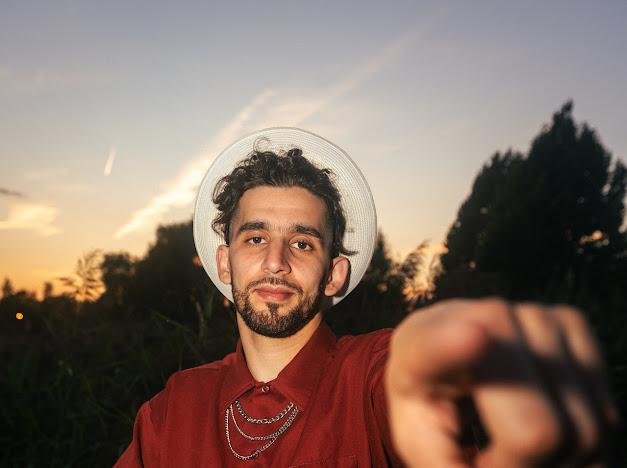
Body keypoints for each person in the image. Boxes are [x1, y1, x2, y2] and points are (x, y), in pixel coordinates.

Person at [116, 128, 617, 467]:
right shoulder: (170, 410)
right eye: (255, 238)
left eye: (302, 243)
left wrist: (451, 357)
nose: (275, 261)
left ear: (334, 274)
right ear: (225, 263)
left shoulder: (371, 376)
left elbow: (411, 369)